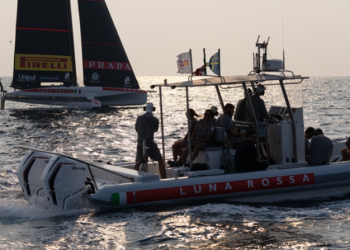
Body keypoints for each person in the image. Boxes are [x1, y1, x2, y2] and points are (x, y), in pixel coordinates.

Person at [134, 103, 166, 179]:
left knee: (137, 163)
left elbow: (136, 129)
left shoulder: (139, 118)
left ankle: (133, 181)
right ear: (153, 109)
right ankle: (164, 179)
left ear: (145, 109)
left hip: (140, 143)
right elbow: (156, 130)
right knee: (160, 160)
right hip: (150, 143)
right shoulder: (155, 120)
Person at [246, 84, 276, 164]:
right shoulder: (259, 101)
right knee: (264, 140)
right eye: (263, 90)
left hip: (250, 123)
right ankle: (269, 159)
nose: (264, 92)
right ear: (261, 91)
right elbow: (265, 114)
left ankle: (262, 156)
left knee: (257, 141)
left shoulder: (249, 99)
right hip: (258, 123)